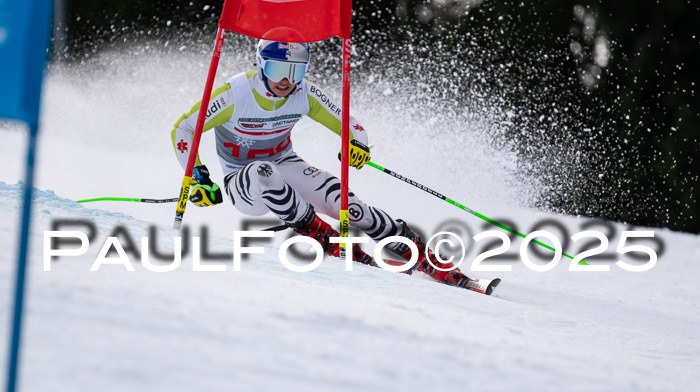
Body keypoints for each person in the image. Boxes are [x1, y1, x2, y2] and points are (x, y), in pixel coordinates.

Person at [171, 39, 495, 294]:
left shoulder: (305, 94)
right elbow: (183, 128)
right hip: (244, 181)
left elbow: (350, 125)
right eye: (276, 70)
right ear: (260, 66)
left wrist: (357, 144)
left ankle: (421, 255)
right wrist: (197, 175)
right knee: (263, 171)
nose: (286, 81)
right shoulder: (234, 94)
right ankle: (321, 234)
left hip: (287, 163)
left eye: (296, 72)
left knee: (350, 206)